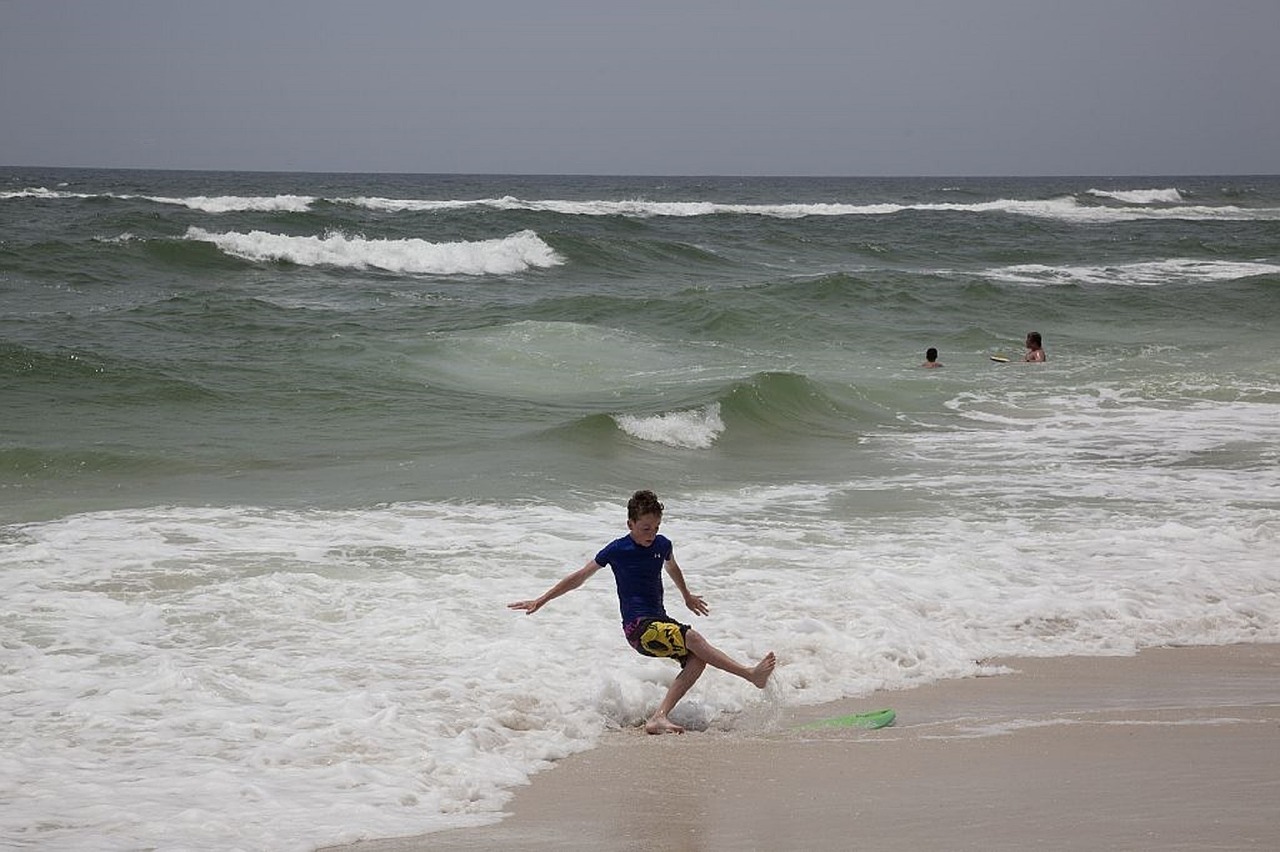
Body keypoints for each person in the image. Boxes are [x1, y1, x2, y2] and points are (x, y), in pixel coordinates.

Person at [508, 489, 777, 735]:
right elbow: (580, 577)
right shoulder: (618, 549)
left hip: (659, 623)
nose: (651, 533)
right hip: (638, 628)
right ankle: (749, 675)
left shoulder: (662, 545)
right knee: (693, 638)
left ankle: (659, 717)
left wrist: (686, 596)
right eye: (646, 528)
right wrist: (541, 600)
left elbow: (672, 568)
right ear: (630, 524)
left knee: (697, 660)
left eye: (656, 527)